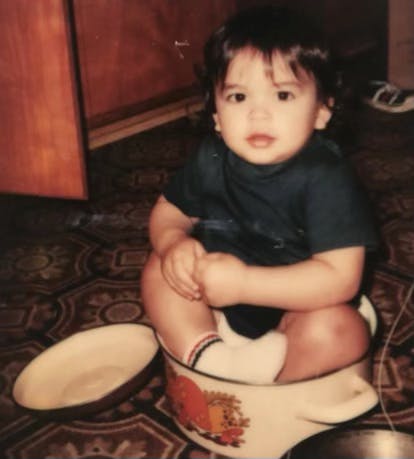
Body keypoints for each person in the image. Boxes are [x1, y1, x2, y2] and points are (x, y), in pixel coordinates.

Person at [141, 5, 377, 384]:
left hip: (297, 320)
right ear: (216, 113)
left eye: (282, 96)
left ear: (321, 110)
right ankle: (211, 359)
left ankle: (275, 388)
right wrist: (173, 244)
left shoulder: (327, 178)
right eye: (238, 97)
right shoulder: (212, 156)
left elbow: (341, 279)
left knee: (340, 331)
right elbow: (169, 210)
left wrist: (244, 284)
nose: (258, 114)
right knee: (159, 269)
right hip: (217, 312)